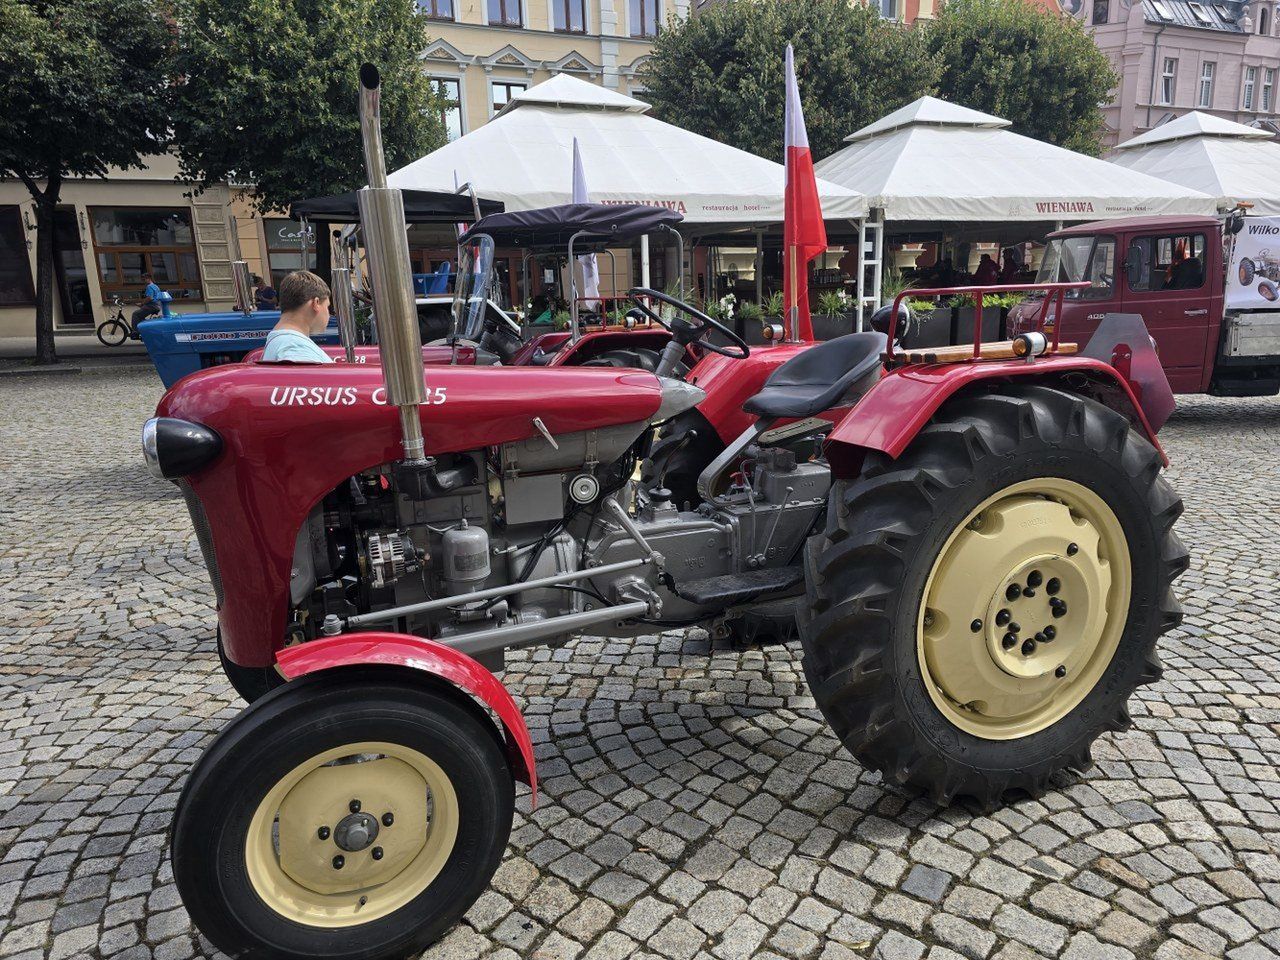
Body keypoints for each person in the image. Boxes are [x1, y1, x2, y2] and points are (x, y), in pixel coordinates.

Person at [261, 270, 334, 363]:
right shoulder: (296, 349)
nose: (329, 314)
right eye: (327, 307)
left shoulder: (281, 341)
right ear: (316, 303)